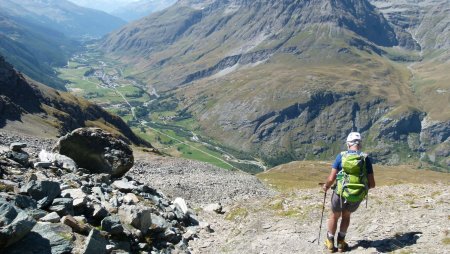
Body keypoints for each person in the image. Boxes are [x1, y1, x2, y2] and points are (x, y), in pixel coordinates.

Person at [322, 132, 375, 252]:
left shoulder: (341, 156)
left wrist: (326, 186)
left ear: (348, 144)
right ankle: (341, 243)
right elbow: (372, 184)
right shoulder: (366, 158)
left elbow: (331, 178)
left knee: (334, 216)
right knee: (346, 216)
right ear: (360, 144)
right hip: (356, 195)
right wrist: (360, 189)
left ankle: (330, 243)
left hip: (340, 193)